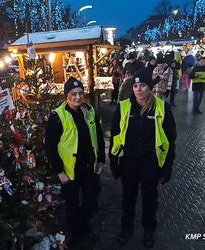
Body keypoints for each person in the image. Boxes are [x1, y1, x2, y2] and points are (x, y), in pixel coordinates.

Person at [109, 68, 177, 248]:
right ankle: (126, 228)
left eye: (143, 85)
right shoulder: (124, 107)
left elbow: (170, 139)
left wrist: (168, 165)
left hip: (150, 163)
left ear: (150, 87)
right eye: (136, 85)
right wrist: (113, 162)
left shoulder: (162, 107)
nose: (139, 89)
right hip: (128, 162)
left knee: (149, 200)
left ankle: (148, 231)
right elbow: (115, 135)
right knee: (128, 198)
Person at [45, 77, 105, 247]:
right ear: (66, 96)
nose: (78, 97)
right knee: (72, 204)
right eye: (73, 94)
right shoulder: (57, 116)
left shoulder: (89, 110)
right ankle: (76, 233)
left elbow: (98, 136)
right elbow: (50, 147)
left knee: (91, 202)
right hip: (69, 169)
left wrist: (100, 158)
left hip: (89, 166)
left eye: (80, 93)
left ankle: (84, 225)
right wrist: (59, 171)